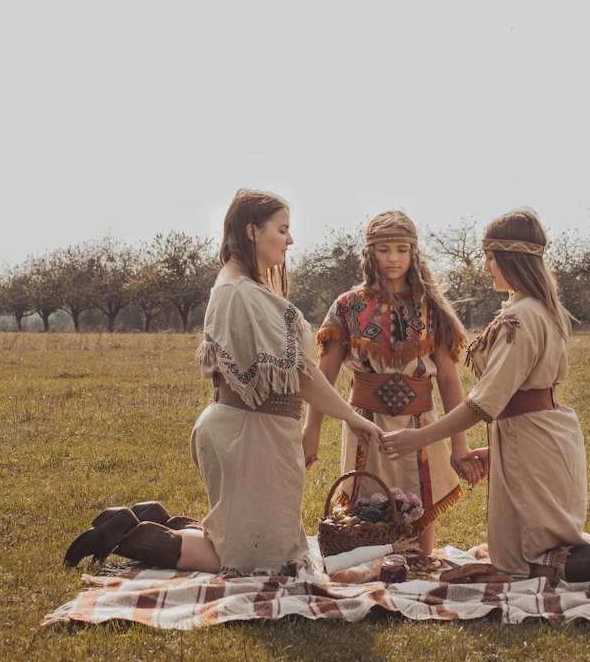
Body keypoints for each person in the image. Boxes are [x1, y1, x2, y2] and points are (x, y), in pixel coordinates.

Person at [63, 190, 383, 575]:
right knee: (257, 559)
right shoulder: (240, 291)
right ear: (251, 231)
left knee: (257, 542)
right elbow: (298, 374)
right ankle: (128, 533)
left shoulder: (240, 286)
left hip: (251, 427)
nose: (290, 240)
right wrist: (352, 416)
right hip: (251, 432)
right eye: (281, 230)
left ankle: (157, 520)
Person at [382, 208, 590, 586]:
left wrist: (418, 438)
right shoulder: (533, 309)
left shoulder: (525, 315)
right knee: (526, 555)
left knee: (543, 563)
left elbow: (484, 403)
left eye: (489, 258)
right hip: (531, 434)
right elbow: (514, 399)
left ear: (509, 259)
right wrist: (498, 451)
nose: (487, 268)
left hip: (534, 436)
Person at [303, 210, 483, 556]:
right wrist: (311, 430)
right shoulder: (348, 306)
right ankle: (368, 565)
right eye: (384, 249)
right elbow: (324, 375)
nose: (393, 258)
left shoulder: (432, 308)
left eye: (402, 249)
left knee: (420, 509)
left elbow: (447, 380)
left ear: (413, 252)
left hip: (422, 424)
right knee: (366, 505)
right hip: (366, 425)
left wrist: (459, 446)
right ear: (370, 253)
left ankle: (418, 565)